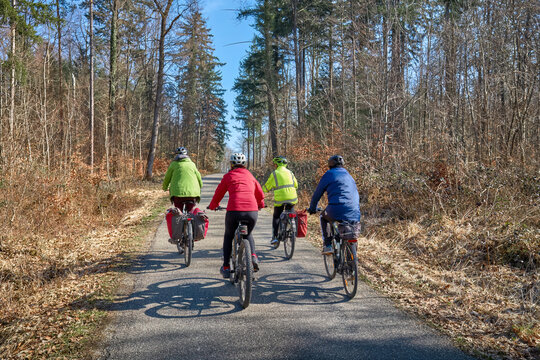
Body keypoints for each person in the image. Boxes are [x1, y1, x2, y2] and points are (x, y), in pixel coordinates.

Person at [207, 153, 265, 278]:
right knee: (248, 234)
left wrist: (213, 205)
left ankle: (226, 266)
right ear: (245, 165)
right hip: (252, 212)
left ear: (231, 164)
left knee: (228, 235)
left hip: (234, 211)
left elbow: (219, 193)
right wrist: (260, 205)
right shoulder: (250, 176)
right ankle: (253, 256)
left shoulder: (228, 176)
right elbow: (259, 193)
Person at [307, 155, 361, 254]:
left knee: (323, 217)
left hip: (336, 208)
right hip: (355, 210)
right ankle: (352, 264)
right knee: (350, 231)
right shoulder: (349, 176)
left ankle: (327, 245)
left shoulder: (329, 174)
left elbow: (317, 194)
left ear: (330, 165)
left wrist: (312, 208)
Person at [262, 156, 298, 245]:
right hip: (292, 197)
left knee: (276, 216)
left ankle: (275, 237)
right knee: (291, 212)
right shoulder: (290, 172)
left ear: (277, 164)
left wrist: (261, 191)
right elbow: (296, 185)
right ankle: (293, 230)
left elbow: (266, 188)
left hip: (280, 199)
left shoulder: (275, 173)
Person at [162, 147, 203, 213]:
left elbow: (167, 178)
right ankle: (191, 221)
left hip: (177, 194)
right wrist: (200, 186)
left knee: (178, 213)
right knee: (190, 212)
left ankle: (180, 221)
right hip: (192, 194)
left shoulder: (173, 164)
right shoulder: (192, 164)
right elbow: (199, 178)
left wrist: (165, 187)